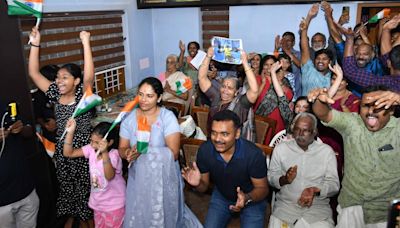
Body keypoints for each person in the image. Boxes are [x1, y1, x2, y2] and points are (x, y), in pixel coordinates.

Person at [28, 27, 95, 227]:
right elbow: (33, 72)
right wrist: (35, 43)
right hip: (63, 153)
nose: (59, 80)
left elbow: (89, 75)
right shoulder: (55, 93)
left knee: (85, 200)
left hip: (82, 152)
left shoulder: (82, 94)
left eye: (64, 77)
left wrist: (86, 42)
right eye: (58, 77)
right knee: (68, 194)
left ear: (76, 81)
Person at [308, 86, 400, 227]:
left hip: (385, 212)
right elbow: (324, 114)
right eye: (366, 106)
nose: (370, 112)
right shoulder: (352, 123)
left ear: (392, 110)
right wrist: (319, 100)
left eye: (377, 106)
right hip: (351, 206)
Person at [119, 77, 201, 227]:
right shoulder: (129, 119)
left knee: (164, 212)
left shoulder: (166, 117)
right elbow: (122, 148)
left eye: (149, 96)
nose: (143, 99)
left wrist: (144, 151)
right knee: (141, 211)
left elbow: (174, 152)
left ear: (159, 98)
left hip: (164, 176)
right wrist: (127, 153)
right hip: (139, 176)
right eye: (141, 94)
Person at [182, 110, 269, 227]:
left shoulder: (253, 154)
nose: (217, 139)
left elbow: (263, 189)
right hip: (222, 195)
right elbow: (203, 187)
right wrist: (197, 184)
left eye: (224, 134)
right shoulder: (205, 150)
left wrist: (246, 198)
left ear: (237, 133)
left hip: (252, 199)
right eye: (214, 133)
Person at [268, 113, 339, 228]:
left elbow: (334, 185)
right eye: (297, 129)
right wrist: (284, 179)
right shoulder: (281, 148)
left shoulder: (326, 152)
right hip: (286, 210)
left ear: (314, 132)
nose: (300, 134)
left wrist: (315, 191)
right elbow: (271, 178)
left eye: (305, 130)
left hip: (317, 212)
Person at [63, 120, 126, 228]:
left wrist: (105, 152)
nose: (92, 144)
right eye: (91, 141)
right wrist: (70, 132)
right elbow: (68, 153)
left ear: (109, 142)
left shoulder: (113, 155)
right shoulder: (91, 150)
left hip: (114, 205)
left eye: (97, 142)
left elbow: (109, 176)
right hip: (98, 204)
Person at [198, 47, 259, 137]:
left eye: (230, 88)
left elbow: (254, 90)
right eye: (223, 86)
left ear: (236, 92)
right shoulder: (216, 98)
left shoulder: (240, 105)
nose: (225, 90)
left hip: (233, 147)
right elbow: (202, 78)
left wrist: (245, 63)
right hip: (212, 142)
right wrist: (208, 56)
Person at [0, 104, 40, 228]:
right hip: (3, 203)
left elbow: (30, 130)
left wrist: (21, 129)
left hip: (26, 191)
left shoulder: (6, 107)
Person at [342, 15, 400, 92]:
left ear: (389, 63)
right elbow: (386, 56)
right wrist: (386, 29)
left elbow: (350, 70)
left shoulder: (390, 82)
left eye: (365, 54)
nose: (361, 56)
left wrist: (349, 39)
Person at [300, 3, 333, 96]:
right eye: (318, 59)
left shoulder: (333, 76)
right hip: (305, 109)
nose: (320, 61)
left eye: (324, 59)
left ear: (330, 62)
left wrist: (329, 16)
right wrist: (309, 17)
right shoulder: (308, 69)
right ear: (314, 60)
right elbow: (304, 47)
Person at [274, 32, 302, 99]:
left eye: (288, 40)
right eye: (284, 40)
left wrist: (286, 50)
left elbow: (301, 65)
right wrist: (276, 49)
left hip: (295, 95)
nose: (285, 43)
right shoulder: (279, 54)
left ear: (293, 43)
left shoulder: (299, 54)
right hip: (278, 94)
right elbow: (273, 64)